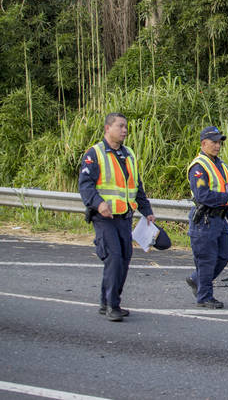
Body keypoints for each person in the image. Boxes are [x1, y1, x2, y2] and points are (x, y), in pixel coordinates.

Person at [78, 113, 155, 322]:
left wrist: (146, 210)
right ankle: (113, 305)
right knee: (114, 259)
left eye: (125, 127)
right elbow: (85, 185)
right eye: (120, 126)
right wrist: (98, 203)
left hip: (124, 217)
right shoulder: (95, 153)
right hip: (104, 218)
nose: (124, 130)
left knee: (124, 259)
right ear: (107, 129)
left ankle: (106, 302)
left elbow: (136, 186)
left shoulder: (128, 153)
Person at [185, 126, 228, 309]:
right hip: (205, 219)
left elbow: (223, 191)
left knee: (225, 254)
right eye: (214, 142)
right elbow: (202, 195)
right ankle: (204, 297)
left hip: (220, 217)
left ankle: (196, 279)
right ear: (204, 143)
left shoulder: (220, 165)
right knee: (206, 259)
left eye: (219, 142)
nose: (217, 146)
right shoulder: (199, 167)